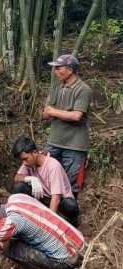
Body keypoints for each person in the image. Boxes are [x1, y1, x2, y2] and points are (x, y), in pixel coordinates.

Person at [43, 54, 92, 197]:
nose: (56, 72)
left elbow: (77, 116)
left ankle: (69, 216)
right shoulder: (56, 87)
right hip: (54, 141)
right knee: (48, 179)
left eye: (59, 69)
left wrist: (53, 111)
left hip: (74, 145)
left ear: (70, 70)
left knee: (70, 186)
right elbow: (46, 112)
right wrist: (52, 112)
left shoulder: (83, 89)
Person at [11, 136, 79, 223]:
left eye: (25, 159)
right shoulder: (29, 163)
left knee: (70, 206)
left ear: (35, 152)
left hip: (59, 203)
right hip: (44, 199)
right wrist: (30, 178)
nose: (24, 163)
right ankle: (38, 217)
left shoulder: (53, 166)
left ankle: (63, 221)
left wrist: (48, 223)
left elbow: (56, 198)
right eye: (22, 160)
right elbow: (16, 178)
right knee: (20, 186)